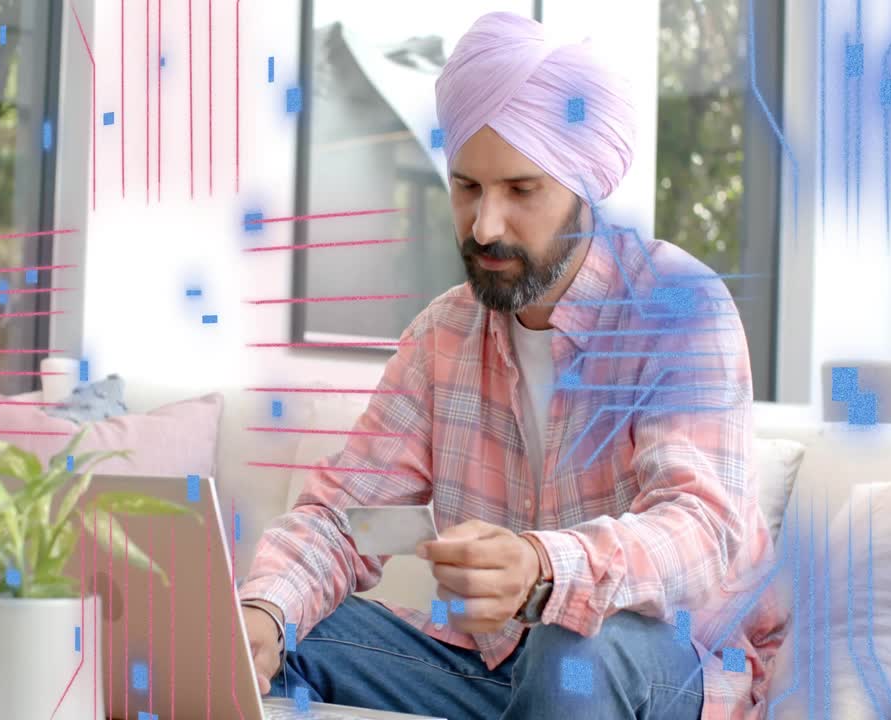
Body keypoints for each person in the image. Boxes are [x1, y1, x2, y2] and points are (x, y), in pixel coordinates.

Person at [237, 11, 786, 720]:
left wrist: (542, 569)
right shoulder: (444, 332)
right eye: (467, 187)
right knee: (282, 638)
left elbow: (701, 531)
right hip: (487, 664)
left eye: (521, 191)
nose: (484, 226)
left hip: (665, 662)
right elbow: (344, 513)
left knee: (573, 648)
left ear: (584, 192)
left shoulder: (678, 308)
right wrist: (264, 612)